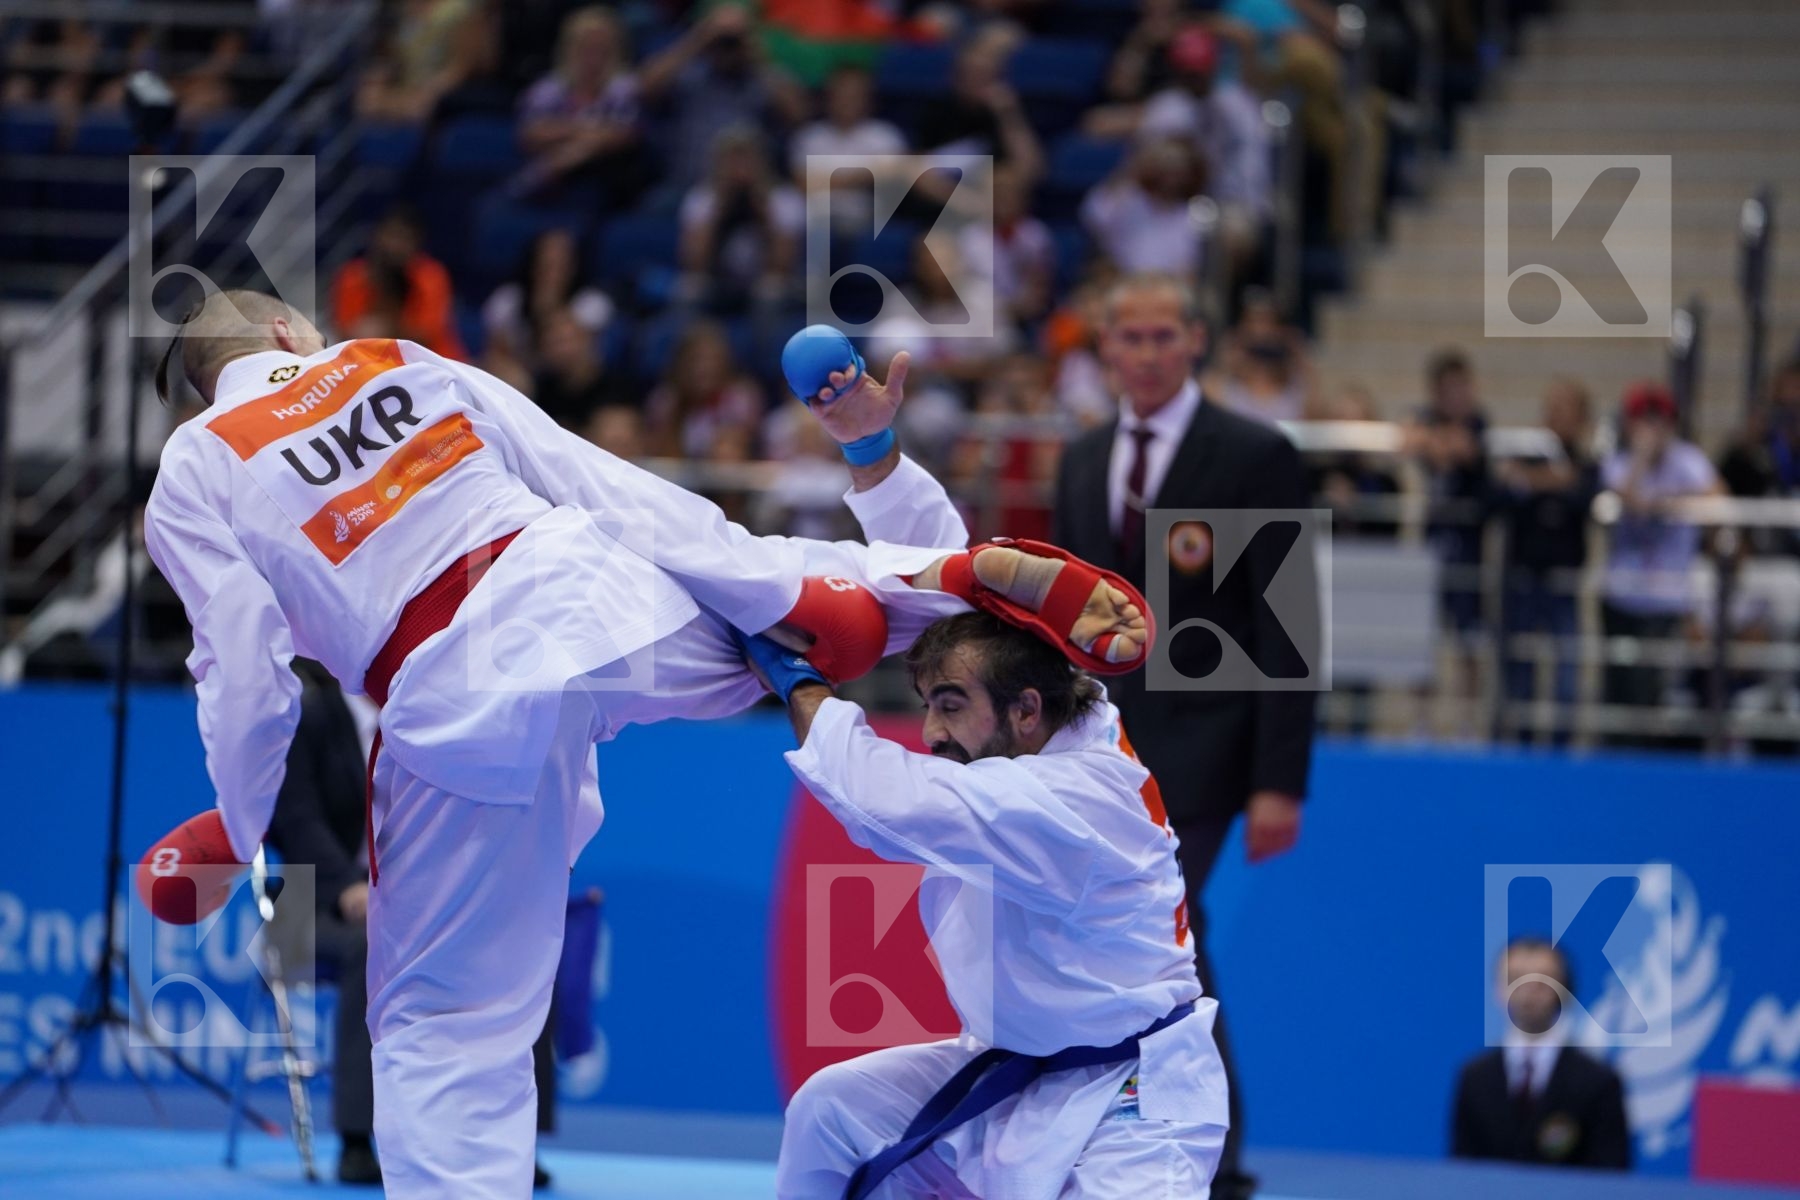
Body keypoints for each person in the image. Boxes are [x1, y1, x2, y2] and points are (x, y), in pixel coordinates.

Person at [144, 288, 1146, 1198]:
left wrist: (237, 825)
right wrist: (757, 580)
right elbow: (588, 476)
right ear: (287, 330)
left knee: (446, 1024)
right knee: (813, 622)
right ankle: (937, 577)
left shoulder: (197, 462)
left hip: (451, 694)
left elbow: (246, 675)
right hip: (579, 588)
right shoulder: (391, 358)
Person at [759, 609, 1228, 1198]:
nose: (931, 732)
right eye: (928, 705)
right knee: (831, 1111)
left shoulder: (1069, 800)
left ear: (1027, 710)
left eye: (950, 706)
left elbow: (879, 796)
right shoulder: (1068, 726)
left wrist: (796, 677)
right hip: (1016, 1073)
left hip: (1129, 1102)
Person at [1051, 272, 1317, 1200]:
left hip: (1207, 755)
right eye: (1131, 338)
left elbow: (1288, 626)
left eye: (1165, 336)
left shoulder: (1254, 454)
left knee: (1169, 934)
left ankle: (1215, 1159)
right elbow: (1062, 622)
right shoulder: (1082, 460)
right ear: (1105, 348)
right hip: (1096, 755)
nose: (1148, 354)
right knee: (1135, 946)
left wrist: (1281, 780)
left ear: (1197, 341)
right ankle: (1126, 1143)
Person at [266, 658, 561, 1188]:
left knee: (516, 945)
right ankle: (358, 1139)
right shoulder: (311, 718)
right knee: (369, 948)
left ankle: (514, 1138)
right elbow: (295, 819)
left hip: (420, 905)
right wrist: (348, 888)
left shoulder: (439, 713)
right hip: (316, 906)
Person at [1599, 381, 1723, 748]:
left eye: (1659, 421)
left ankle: (1654, 760)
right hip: (1623, 597)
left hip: (1668, 601)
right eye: (1643, 420)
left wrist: (1667, 503)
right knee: (1621, 691)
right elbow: (1626, 496)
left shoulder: (1687, 460)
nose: (1652, 429)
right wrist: (1642, 457)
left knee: (1659, 695)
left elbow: (1718, 497)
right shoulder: (1619, 461)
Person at [1451, 938, 1631, 1169]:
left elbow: (1610, 1175)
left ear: (1565, 990)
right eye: (1515, 978)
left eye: (1543, 980)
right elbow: (1462, 1170)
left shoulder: (1598, 1082)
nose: (1529, 991)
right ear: (1498, 989)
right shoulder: (1475, 1078)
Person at [1494, 378, 1597, 746]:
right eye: (1552, 408)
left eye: (1565, 409)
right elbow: (1500, 497)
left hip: (1564, 581)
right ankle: (1520, 743)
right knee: (1519, 672)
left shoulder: (1586, 462)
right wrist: (1550, 480)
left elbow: (1584, 496)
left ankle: (1560, 746)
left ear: (1581, 418)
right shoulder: (1527, 455)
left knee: (1567, 673)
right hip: (1523, 578)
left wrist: (1537, 482)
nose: (1556, 416)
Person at [330, 207, 467, 360]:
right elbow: (346, 333)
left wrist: (386, 329)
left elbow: (426, 335)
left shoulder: (432, 276)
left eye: (404, 238)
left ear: (417, 242)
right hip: (370, 361)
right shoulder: (352, 276)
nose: (395, 246)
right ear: (376, 236)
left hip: (433, 361)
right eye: (391, 235)